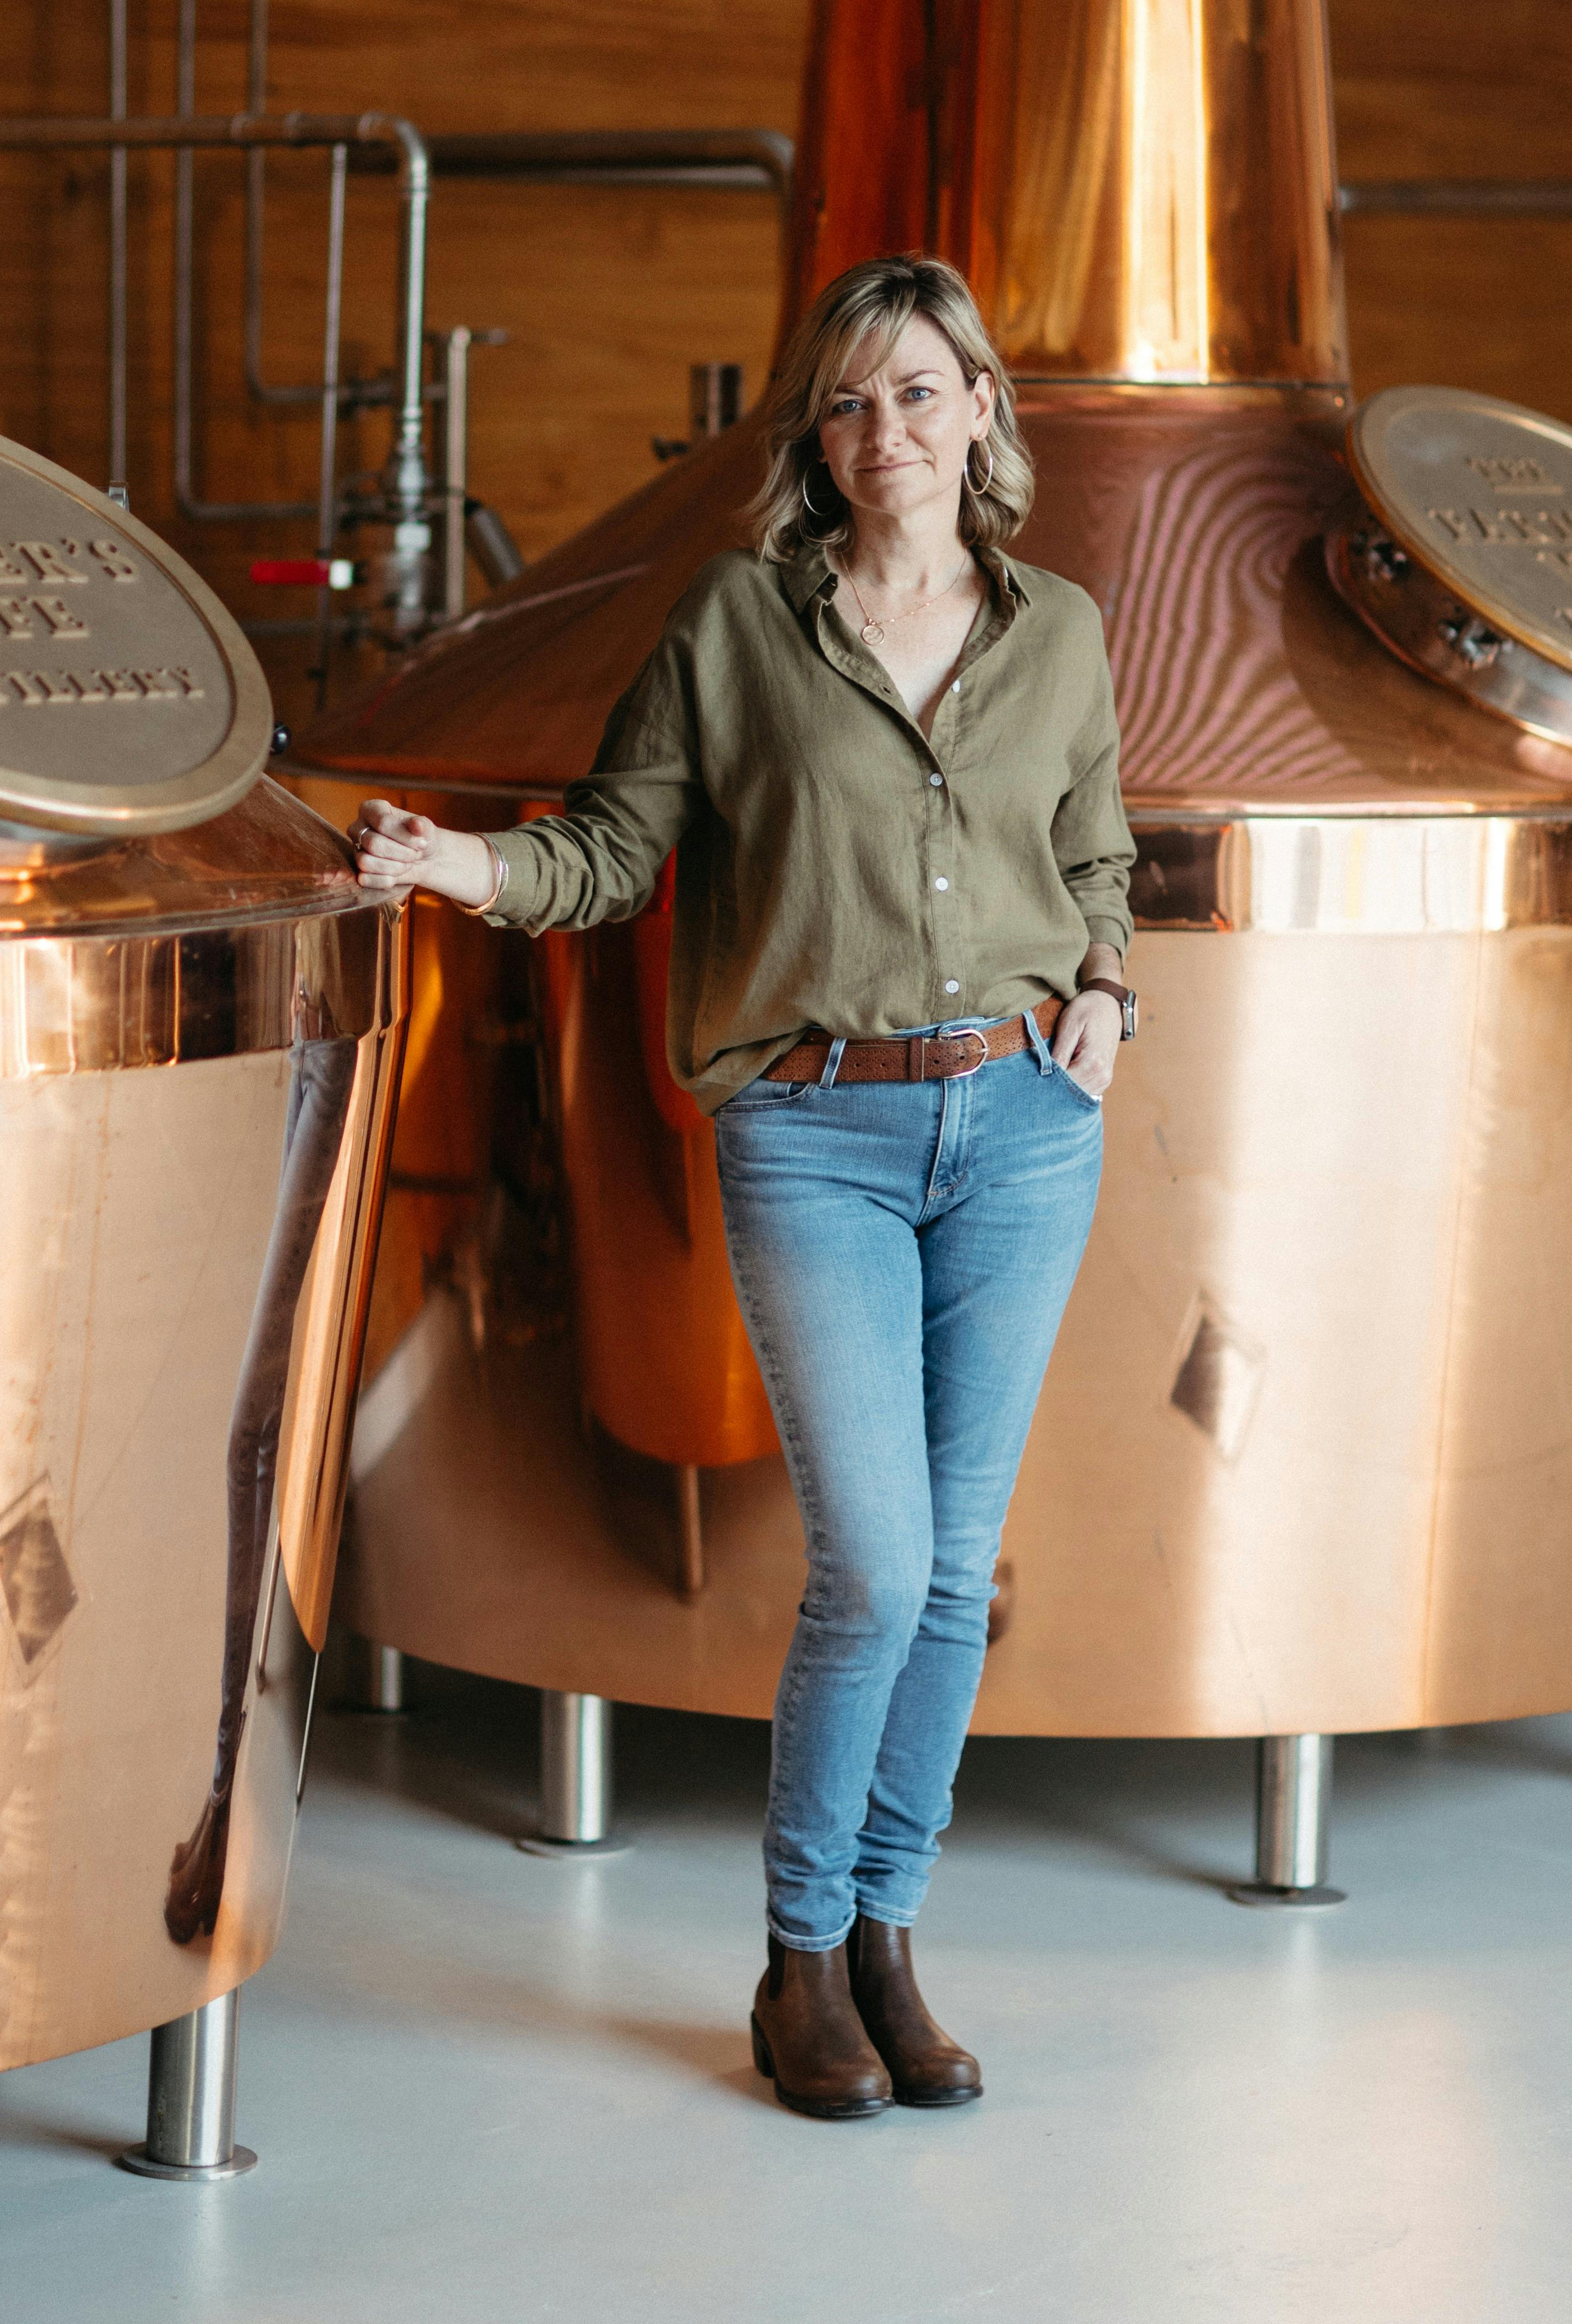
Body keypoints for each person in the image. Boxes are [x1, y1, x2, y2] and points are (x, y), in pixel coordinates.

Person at [351, 255, 1135, 2121]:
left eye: (923, 392)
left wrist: (1106, 986)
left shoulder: (1065, 632)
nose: (889, 433)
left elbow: (1096, 848)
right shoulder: (733, 625)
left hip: (1024, 1129)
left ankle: (887, 1935)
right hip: (816, 1131)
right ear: (818, 434)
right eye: (853, 401)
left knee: (954, 1572)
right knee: (870, 1563)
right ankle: (797, 1961)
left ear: (980, 413)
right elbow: (621, 852)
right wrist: (468, 871)